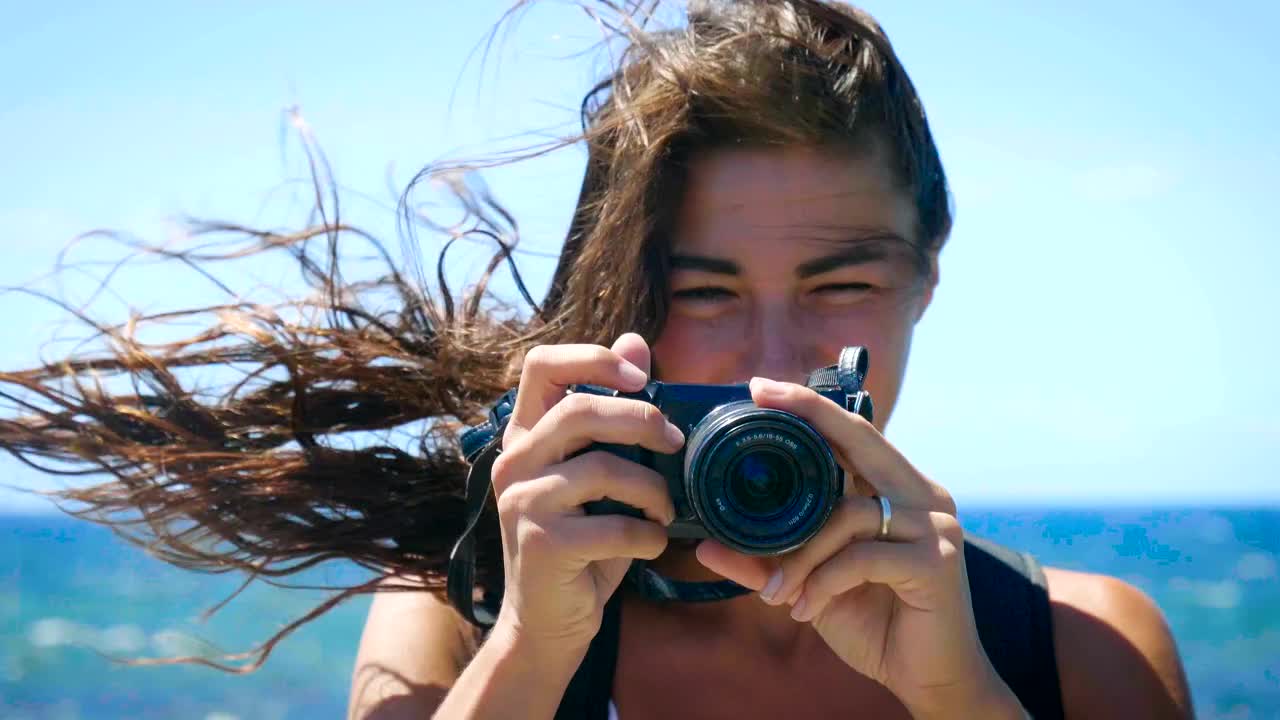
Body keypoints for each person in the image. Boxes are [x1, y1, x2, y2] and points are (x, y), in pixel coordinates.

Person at [0, 1, 1191, 718]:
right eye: (700, 294)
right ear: (624, 303)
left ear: (926, 278)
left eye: (838, 285)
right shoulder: (461, 620)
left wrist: (955, 698)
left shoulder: (1078, 654)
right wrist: (532, 648)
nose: (772, 361)